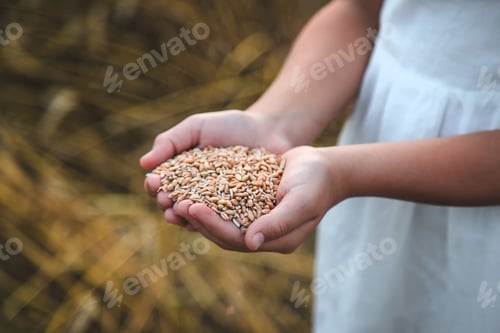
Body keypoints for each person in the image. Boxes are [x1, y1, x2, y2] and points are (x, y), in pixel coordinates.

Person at [141, 0, 500, 331]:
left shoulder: (340, 173)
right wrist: (275, 123)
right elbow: (360, 13)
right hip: (367, 186)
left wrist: (344, 174)